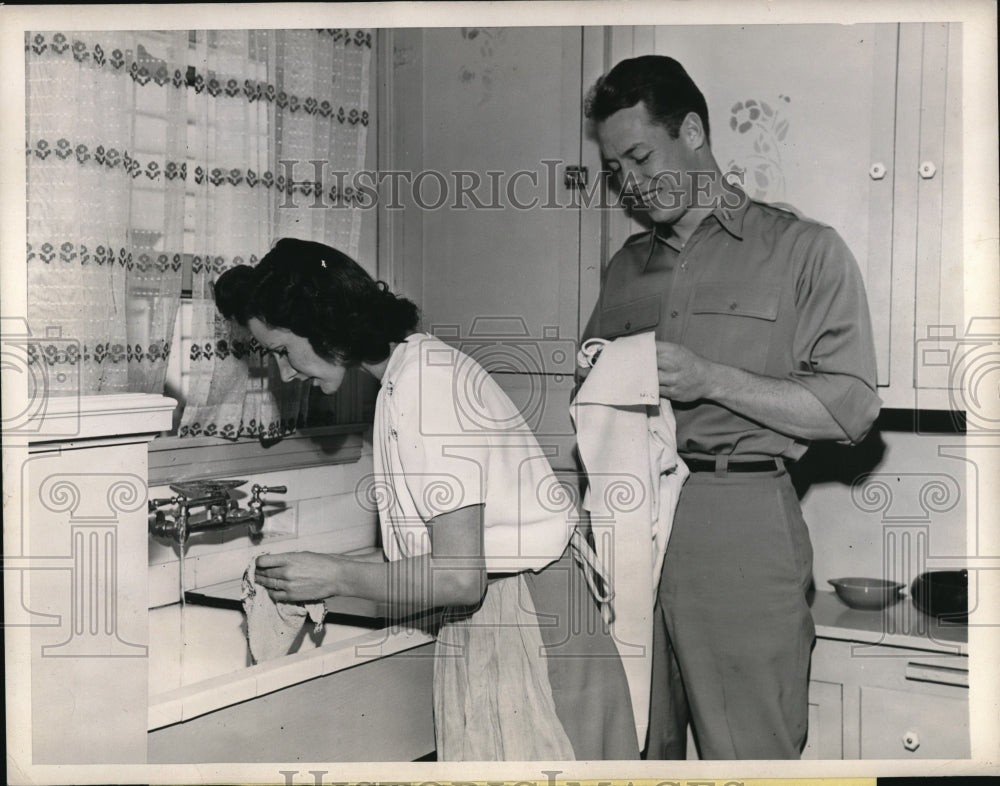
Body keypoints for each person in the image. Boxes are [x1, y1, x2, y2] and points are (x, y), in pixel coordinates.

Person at [213, 237, 640, 762]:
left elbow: (460, 577)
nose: (283, 373)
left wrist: (338, 576)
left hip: (528, 619)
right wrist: (315, 573)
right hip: (507, 612)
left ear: (322, 322)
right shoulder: (405, 377)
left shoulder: (424, 385)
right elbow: (436, 552)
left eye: (282, 351)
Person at [581, 56, 881, 760]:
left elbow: (852, 410)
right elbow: (590, 406)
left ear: (692, 130)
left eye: (640, 156)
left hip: (740, 521)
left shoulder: (803, 250)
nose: (630, 181)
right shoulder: (626, 267)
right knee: (633, 751)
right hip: (627, 523)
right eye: (616, 167)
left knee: (749, 759)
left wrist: (711, 378)